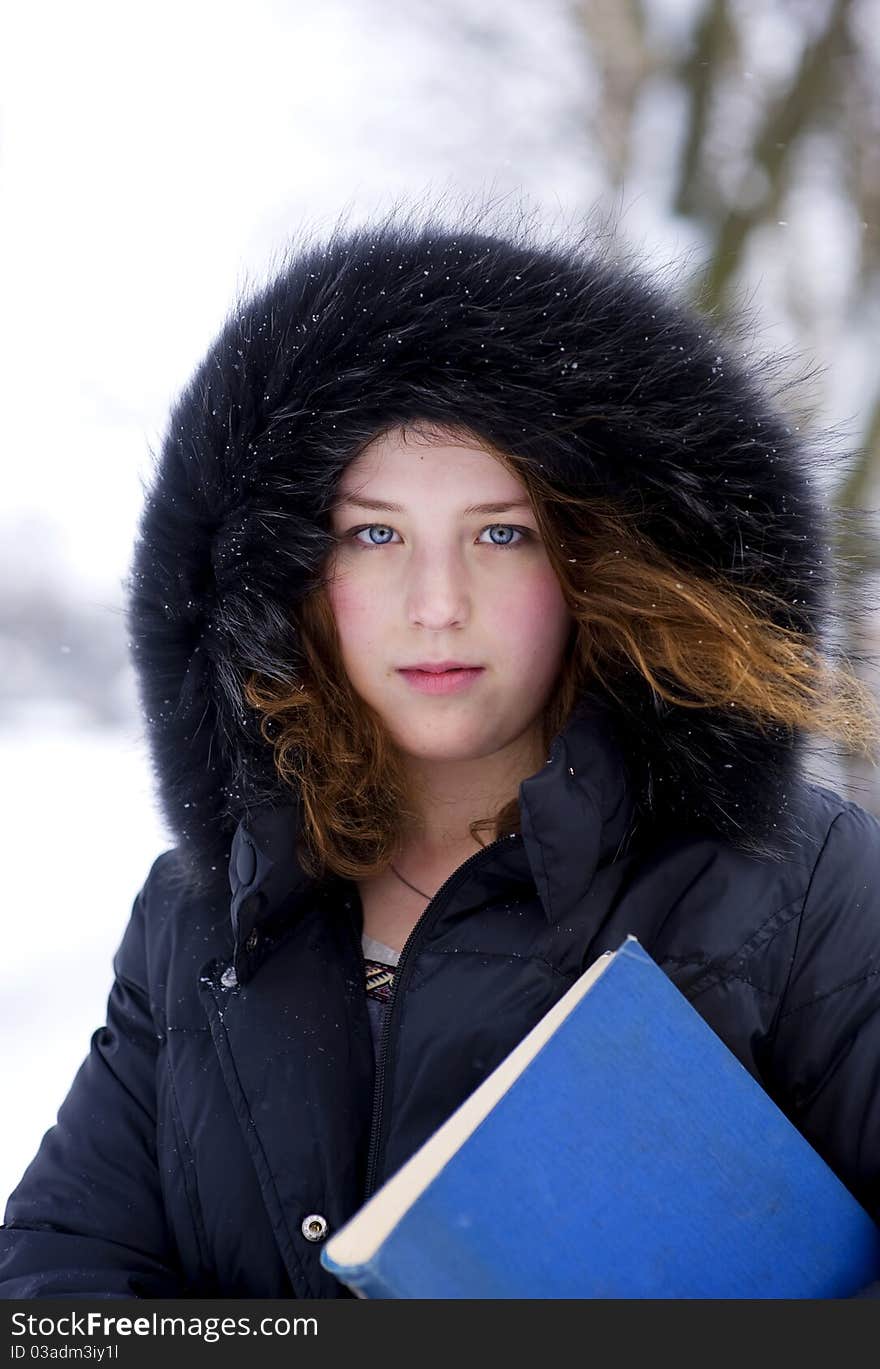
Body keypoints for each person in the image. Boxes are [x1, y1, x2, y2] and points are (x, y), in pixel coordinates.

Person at [2, 203, 880, 1300]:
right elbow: (57, 1289)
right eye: (375, 534)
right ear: (289, 575)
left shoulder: (802, 887)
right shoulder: (196, 918)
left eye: (499, 533)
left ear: (589, 559)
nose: (436, 604)